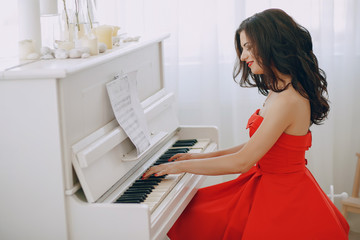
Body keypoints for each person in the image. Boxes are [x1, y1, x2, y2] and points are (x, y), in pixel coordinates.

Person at [142, 8, 349, 239]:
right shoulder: (278, 90)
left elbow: (243, 161)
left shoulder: (288, 99)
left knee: (193, 213)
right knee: (191, 211)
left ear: (270, 42)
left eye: (248, 47)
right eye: (242, 49)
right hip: (266, 183)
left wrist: (177, 167)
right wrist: (198, 157)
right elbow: (256, 147)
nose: (243, 56)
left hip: (282, 193)